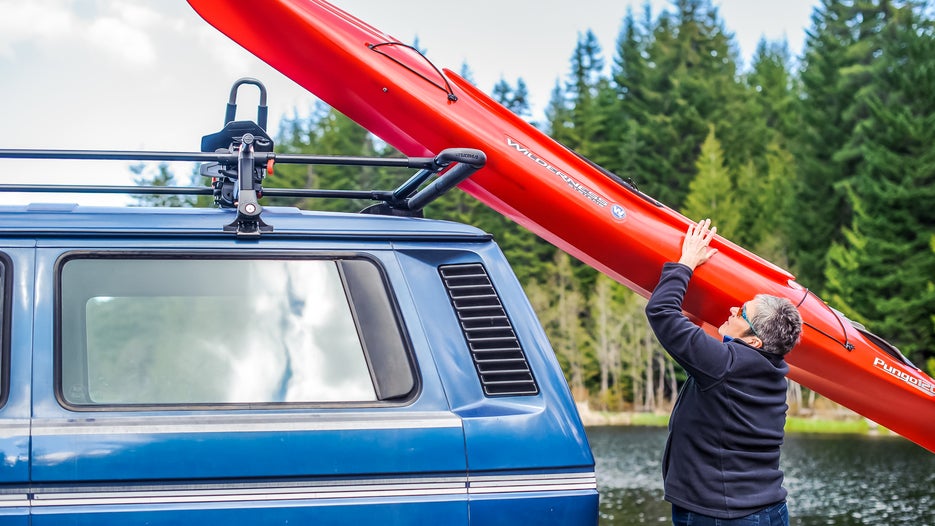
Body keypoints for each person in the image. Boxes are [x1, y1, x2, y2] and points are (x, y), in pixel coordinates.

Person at [645, 218, 803, 526]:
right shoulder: (773, 371)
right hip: (768, 509)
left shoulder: (725, 365)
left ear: (755, 341)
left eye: (742, 313)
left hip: (721, 515)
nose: (732, 309)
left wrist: (686, 263)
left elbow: (661, 311)